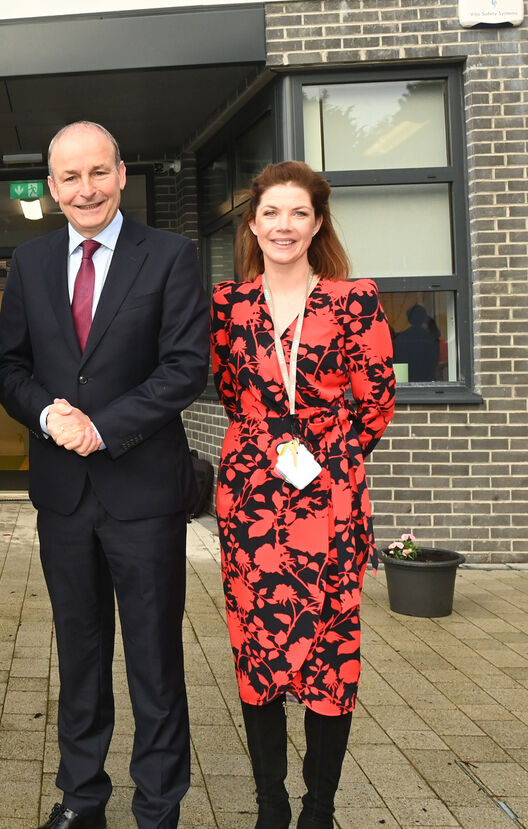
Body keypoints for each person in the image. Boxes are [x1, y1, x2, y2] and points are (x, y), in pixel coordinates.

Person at [0, 121, 209, 829]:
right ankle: (83, 798)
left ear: (120, 172)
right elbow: (9, 367)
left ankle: (157, 807)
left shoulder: (171, 256)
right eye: (70, 177)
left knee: (154, 659)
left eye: (98, 172)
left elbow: (185, 367)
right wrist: (48, 416)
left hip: (142, 492)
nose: (86, 188)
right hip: (63, 498)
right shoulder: (29, 262)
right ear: (52, 189)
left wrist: (103, 425)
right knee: (79, 657)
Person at [211, 160, 395, 829]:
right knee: (256, 649)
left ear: (317, 222)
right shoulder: (228, 304)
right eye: (270, 213)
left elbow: (377, 402)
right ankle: (271, 805)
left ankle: (319, 808)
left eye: (298, 213)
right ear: (253, 224)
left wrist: (329, 459)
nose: (283, 225)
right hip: (252, 499)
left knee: (330, 653)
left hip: (329, 501)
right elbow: (234, 396)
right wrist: (274, 446)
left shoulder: (355, 299)